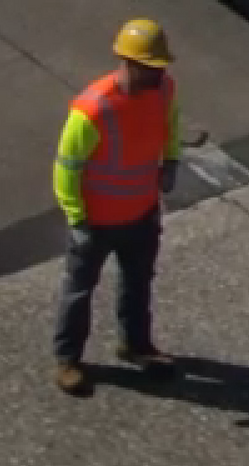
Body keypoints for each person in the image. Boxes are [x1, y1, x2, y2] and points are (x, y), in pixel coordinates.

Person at [52, 18, 182, 396]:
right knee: (78, 291)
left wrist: (170, 162)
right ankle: (68, 361)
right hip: (96, 223)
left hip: (142, 214)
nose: (159, 73)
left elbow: (171, 126)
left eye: (162, 66)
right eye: (152, 66)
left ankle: (136, 346)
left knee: (138, 283)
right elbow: (66, 169)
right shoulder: (94, 109)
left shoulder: (165, 90)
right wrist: (77, 218)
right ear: (128, 62)